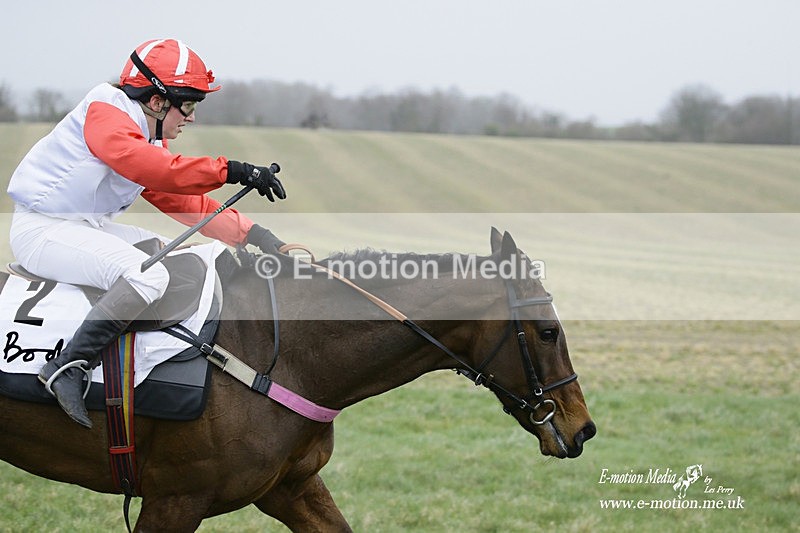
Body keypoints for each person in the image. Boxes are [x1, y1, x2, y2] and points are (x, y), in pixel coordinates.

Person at [7, 38, 287, 428]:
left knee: (176, 256)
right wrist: (232, 171)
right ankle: (67, 366)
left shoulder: (143, 133)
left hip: (80, 227)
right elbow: (157, 169)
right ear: (156, 101)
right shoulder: (106, 113)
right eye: (188, 106)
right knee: (148, 275)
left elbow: (180, 198)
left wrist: (255, 235)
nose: (190, 118)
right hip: (42, 231)